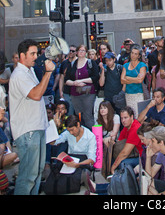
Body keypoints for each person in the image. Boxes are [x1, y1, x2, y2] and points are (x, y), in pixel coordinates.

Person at [8, 38, 56, 195]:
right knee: (28, 176)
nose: (36, 56)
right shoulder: (19, 75)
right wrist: (48, 73)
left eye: (36, 53)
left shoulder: (28, 71)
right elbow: (36, 94)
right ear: (23, 55)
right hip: (28, 131)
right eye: (32, 53)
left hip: (36, 128)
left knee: (36, 173)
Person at [64, 44, 100, 130]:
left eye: (83, 50)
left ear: (86, 52)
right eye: (79, 50)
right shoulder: (72, 64)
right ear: (76, 52)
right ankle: (81, 134)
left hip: (88, 93)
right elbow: (66, 80)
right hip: (75, 93)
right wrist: (74, 83)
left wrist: (81, 81)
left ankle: (93, 135)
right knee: (78, 115)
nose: (81, 52)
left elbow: (95, 77)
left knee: (88, 115)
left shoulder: (91, 63)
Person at [110, 106, 143, 173]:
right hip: (132, 153)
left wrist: (113, 167)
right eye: (122, 118)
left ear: (131, 117)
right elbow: (119, 143)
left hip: (140, 156)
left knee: (122, 163)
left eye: (125, 118)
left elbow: (125, 153)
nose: (123, 121)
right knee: (113, 159)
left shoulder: (135, 128)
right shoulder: (126, 126)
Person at [120, 45, 147, 118]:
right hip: (128, 94)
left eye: (136, 54)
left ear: (139, 56)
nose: (133, 55)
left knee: (139, 116)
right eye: (132, 53)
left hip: (138, 94)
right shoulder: (125, 65)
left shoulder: (142, 65)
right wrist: (134, 79)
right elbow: (122, 81)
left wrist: (128, 77)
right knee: (130, 116)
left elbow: (140, 80)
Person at [58, 45, 77, 115]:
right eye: (69, 51)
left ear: (76, 52)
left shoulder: (79, 62)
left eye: (73, 51)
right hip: (67, 91)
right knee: (69, 112)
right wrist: (60, 91)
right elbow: (61, 78)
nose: (71, 52)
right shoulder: (64, 63)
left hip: (77, 91)